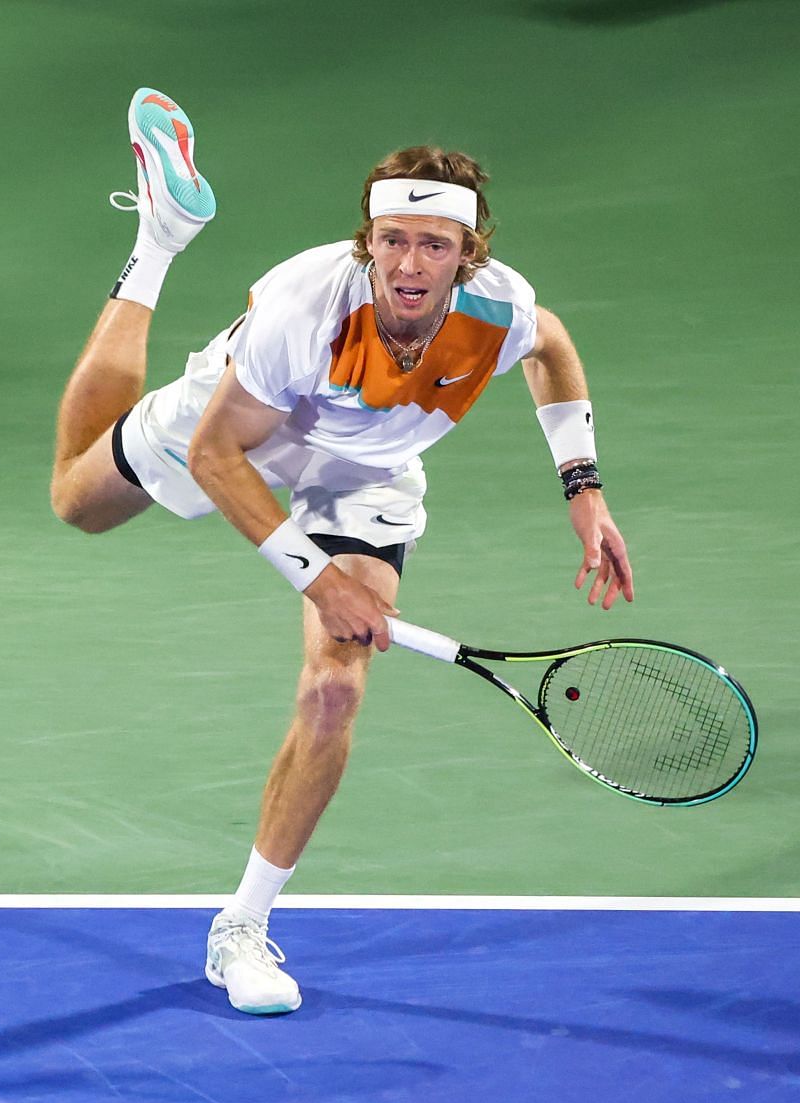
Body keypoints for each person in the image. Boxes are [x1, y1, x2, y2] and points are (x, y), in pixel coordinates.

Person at [48, 88, 635, 1015]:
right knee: (79, 500)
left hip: (369, 472)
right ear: (368, 240)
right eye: (392, 239)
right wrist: (320, 581)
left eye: (433, 244)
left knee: (335, 685)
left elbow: (551, 346)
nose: (408, 261)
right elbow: (217, 453)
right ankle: (157, 244)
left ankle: (240, 924)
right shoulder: (301, 308)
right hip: (243, 416)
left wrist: (583, 484)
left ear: (466, 255)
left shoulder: (500, 304)